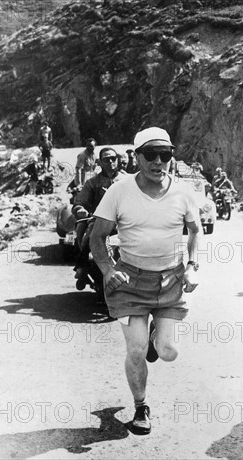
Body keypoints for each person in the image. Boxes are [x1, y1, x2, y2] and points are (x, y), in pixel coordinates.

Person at [90, 127, 201, 435]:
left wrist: (192, 265)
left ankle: (157, 336)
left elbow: (195, 231)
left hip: (170, 279)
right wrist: (108, 270)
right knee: (136, 350)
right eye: (150, 155)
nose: (158, 162)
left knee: (167, 351)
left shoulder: (182, 193)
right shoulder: (119, 191)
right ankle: (141, 407)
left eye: (164, 155)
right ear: (136, 157)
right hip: (129, 281)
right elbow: (97, 237)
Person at [73, 147, 127, 281]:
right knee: (89, 236)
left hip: (125, 221)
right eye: (106, 159)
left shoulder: (128, 181)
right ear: (100, 162)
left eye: (113, 159)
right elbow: (80, 201)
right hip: (100, 221)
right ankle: (82, 266)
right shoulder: (92, 183)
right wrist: (80, 209)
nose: (110, 162)